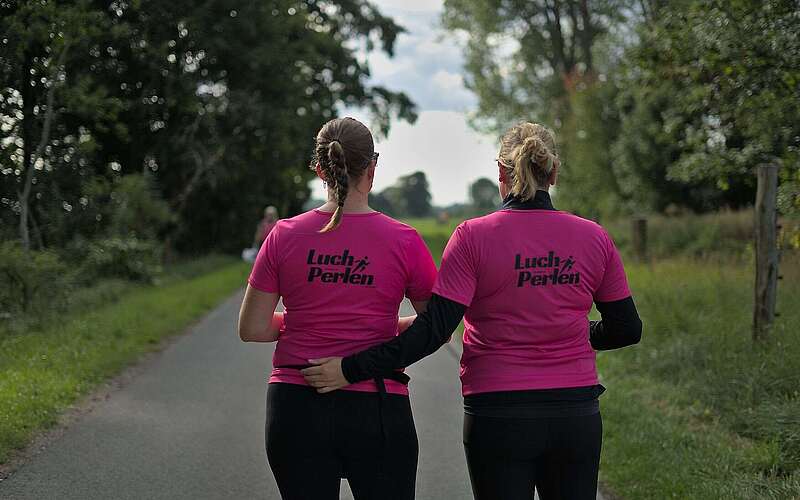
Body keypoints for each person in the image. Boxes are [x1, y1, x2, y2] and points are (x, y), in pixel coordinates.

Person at [302, 122, 643, 500]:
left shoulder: (473, 237)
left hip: (498, 413)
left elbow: (433, 331)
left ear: (500, 172)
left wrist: (351, 369)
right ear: (553, 172)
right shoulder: (593, 237)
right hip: (575, 413)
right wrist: (577, 332)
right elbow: (626, 328)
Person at [237, 117, 437, 500]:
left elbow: (253, 328)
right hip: (377, 403)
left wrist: (303, 323)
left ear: (319, 170)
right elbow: (434, 327)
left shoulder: (283, 235)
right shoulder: (405, 240)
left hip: (296, 403)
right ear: (372, 169)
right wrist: (388, 327)